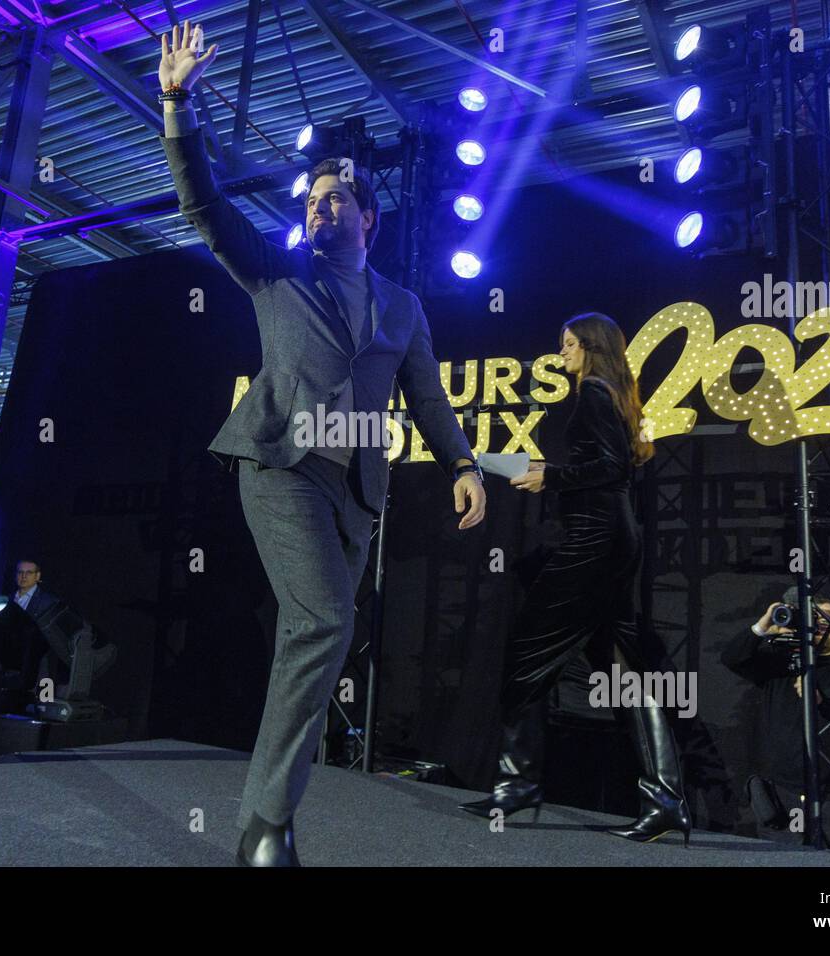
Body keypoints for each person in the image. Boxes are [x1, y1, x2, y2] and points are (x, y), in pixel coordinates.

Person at [158, 21, 486, 866]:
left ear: (367, 219)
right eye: (308, 201)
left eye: (332, 199)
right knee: (320, 624)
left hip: (358, 494)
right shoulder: (275, 271)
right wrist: (177, 102)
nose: (316, 207)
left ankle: (268, 820)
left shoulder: (403, 305)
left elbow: (426, 394)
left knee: (321, 637)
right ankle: (267, 824)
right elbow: (203, 204)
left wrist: (461, 463)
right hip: (279, 467)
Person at [459, 313, 690, 845]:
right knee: (625, 667)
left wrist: (549, 476)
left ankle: (518, 785)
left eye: (569, 343)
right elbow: (613, 468)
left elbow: (608, 469)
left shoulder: (594, 393)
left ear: (592, 346)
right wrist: (555, 476)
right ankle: (666, 799)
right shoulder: (615, 394)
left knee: (524, 654)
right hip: (614, 538)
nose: (561, 352)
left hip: (593, 541)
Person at [720, 591, 830, 848]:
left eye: (827, 619)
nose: (820, 625)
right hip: (781, 788)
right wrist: (764, 624)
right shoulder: (778, 661)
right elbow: (732, 658)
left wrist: (822, 702)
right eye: (814, 618)